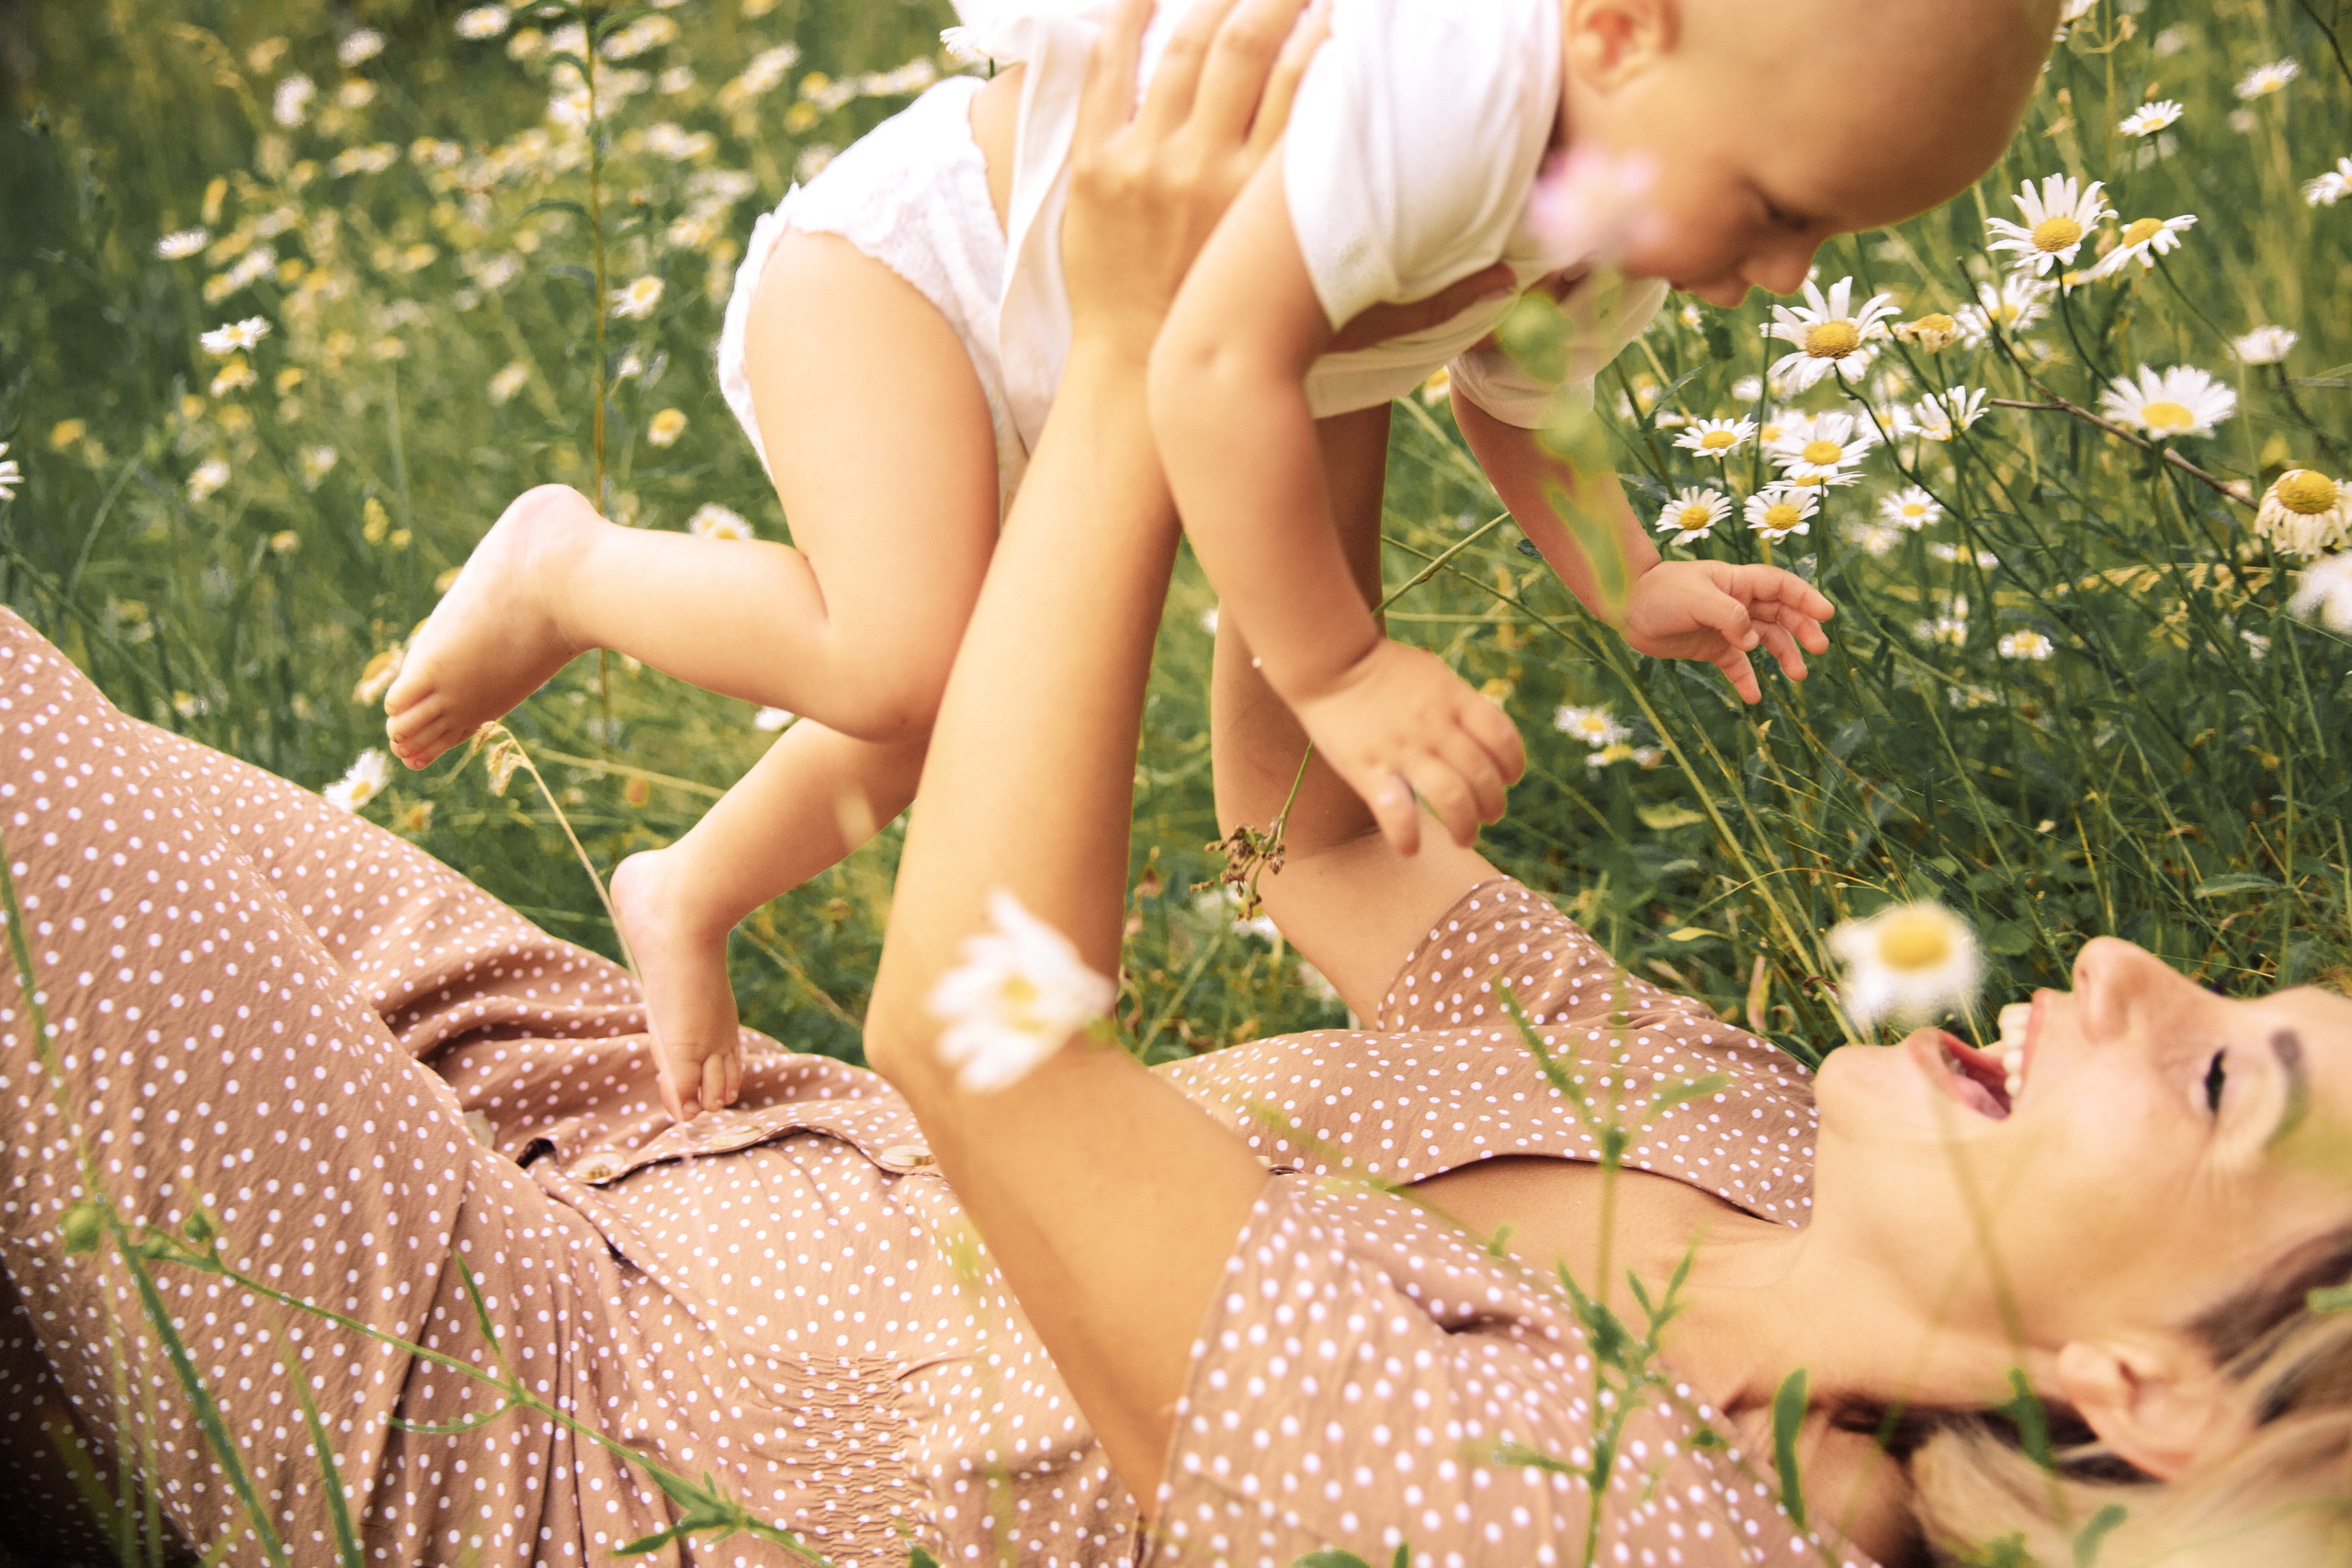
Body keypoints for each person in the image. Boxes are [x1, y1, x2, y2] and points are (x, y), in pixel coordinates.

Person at [6, 4, 2351, 1564]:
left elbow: (997, 1041)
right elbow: (1299, 844)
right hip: (649, 1121)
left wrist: (1141, 362)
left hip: (524, 1397)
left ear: (2137, 1388)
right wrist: (1310, 349)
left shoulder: (1624, 1511)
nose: (2133, 960)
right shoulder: (1737, 1125)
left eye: (2234, 1071)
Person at [360, 0, 2056, 1126]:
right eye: (1776, 210)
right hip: (923, 279)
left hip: (1157, 352)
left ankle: (689, 887)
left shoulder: (1625, 182)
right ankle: (562, 564)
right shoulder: (1450, 86)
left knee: (957, 718)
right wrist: (1336, 666)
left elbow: (1522, 392)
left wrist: (1627, 573)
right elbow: (1210, 367)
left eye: (1825, 237)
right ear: (1616, 29)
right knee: (899, 660)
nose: (1779, 271)